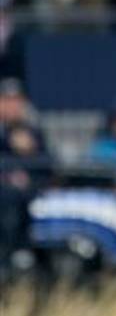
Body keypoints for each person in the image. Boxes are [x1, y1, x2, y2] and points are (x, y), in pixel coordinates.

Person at [0, 78, 51, 276]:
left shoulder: (33, 132)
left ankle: (27, 255)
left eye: (16, 101)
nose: (12, 106)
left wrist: (30, 151)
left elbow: (50, 166)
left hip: (32, 192)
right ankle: (10, 255)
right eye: (6, 101)